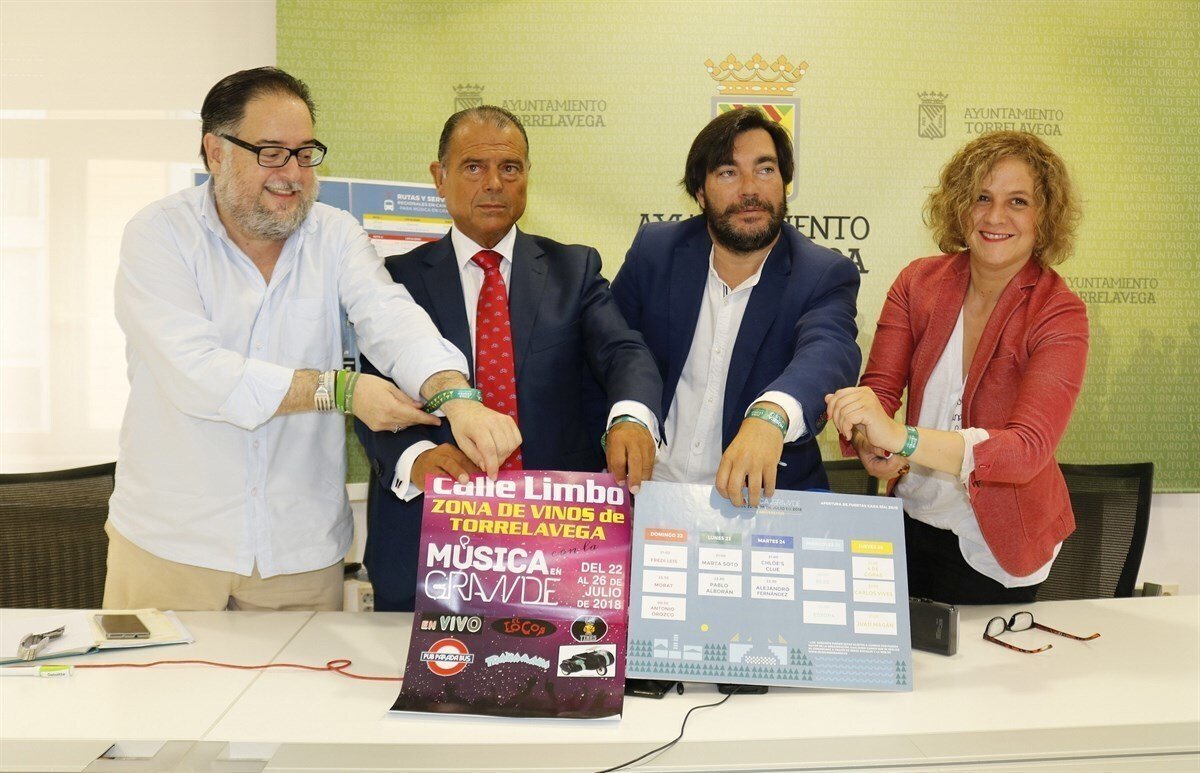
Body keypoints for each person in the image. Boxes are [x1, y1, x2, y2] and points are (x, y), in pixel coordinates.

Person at [106, 68, 518, 612]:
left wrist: (456, 396)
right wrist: (341, 391)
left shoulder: (335, 234)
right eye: (272, 153)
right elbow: (198, 374)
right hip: (172, 546)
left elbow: (391, 319)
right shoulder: (159, 235)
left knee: (302, 675)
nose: (293, 173)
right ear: (216, 152)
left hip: (298, 551)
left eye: (305, 154)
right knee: (161, 674)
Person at [355, 106, 662, 611]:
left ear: (527, 177)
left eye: (510, 168)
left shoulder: (574, 269)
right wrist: (416, 459)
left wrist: (630, 418)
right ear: (439, 178)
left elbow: (623, 351)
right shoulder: (395, 280)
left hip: (557, 549)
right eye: (474, 167)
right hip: (428, 542)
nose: (494, 183)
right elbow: (372, 395)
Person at [826, 130, 1087, 605]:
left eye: (1018, 201)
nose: (995, 216)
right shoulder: (918, 283)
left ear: (1044, 216)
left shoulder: (1059, 312)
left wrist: (901, 437)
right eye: (982, 197)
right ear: (960, 205)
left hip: (995, 549)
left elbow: (1025, 450)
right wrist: (868, 439)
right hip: (908, 523)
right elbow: (880, 392)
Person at [611, 107, 861, 506]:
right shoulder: (655, 252)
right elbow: (615, 346)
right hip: (646, 491)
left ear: (784, 183)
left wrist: (771, 416)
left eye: (765, 170)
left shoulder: (821, 273)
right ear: (699, 192)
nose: (750, 189)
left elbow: (828, 352)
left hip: (759, 506)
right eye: (728, 172)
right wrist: (628, 412)